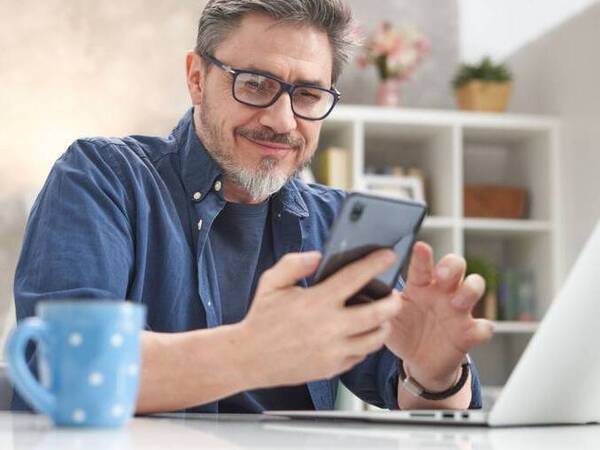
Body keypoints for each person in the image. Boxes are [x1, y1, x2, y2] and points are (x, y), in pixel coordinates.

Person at [13, 0, 494, 414]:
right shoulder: (102, 178)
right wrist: (253, 352)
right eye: (255, 84)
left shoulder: (336, 223)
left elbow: (421, 406)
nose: (282, 120)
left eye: (307, 95)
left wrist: (435, 373)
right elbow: (68, 370)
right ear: (197, 78)